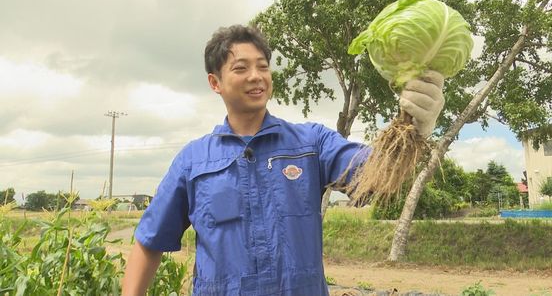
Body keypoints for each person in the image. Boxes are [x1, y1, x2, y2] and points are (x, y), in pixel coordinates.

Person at [121, 25, 445, 296]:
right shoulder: (193, 161)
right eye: (241, 68)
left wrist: (412, 129)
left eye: (263, 66)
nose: (256, 76)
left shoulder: (311, 143)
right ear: (214, 83)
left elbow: (373, 176)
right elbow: (149, 242)